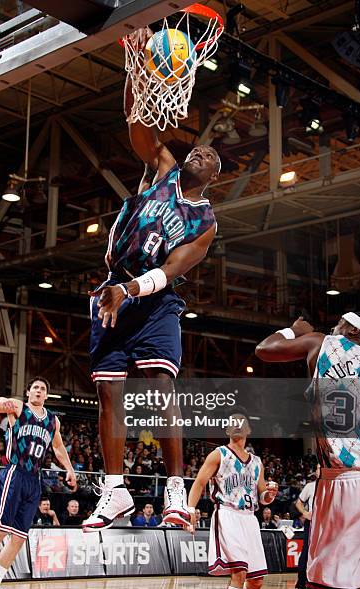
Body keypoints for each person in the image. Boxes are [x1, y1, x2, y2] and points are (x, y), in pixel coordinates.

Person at [84, 27, 220, 532]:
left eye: (210, 156)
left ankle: (177, 494)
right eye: (198, 148)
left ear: (214, 176)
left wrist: (131, 289)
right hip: (111, 286)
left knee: (161, 387)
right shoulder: (161, 167)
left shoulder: (204, 221)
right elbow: (137, 124)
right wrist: (135, 69)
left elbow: (171, 270)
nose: (200, 152)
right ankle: (114, 492)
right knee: (109, 394)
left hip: (153, 298)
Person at [256, 313, 360, 589]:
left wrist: (292, 331)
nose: (335, 327)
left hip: (344, 478)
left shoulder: (320, 344)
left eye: (340, 323)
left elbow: (264, 349)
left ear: (351, 329)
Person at [0, 377, 76, 589]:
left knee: (19, 537)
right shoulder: (18, 407)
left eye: (42, 388)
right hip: (14, 473)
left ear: (46, 395)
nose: (38, 391)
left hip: (33, 479)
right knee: (1, 530)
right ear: (28, 392)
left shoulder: (53, 421)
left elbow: (58, 447)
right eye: (35, 387)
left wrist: (70, 469)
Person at [185, 412, 278, 589]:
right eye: (232, 423)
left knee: (256, 581)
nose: (237, 425)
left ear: (248, 430)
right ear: (227, 430)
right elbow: (199, 482)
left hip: (250, 518)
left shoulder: (257, 462)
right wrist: (190, 508)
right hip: (227, 513)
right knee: (239, 572)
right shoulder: (219, 454)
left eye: (241, 423)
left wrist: (270, 494)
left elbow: (263, 497)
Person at [294, 464, 321, 589]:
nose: (319, 470)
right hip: (312, 523)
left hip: (327, 524)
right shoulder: (310, 486)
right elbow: (298, 503)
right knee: (305, 553)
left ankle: (327, 585)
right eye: (317, 468)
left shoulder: (331, 487)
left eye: (321, 467)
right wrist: (305, 513)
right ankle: (301, 585)